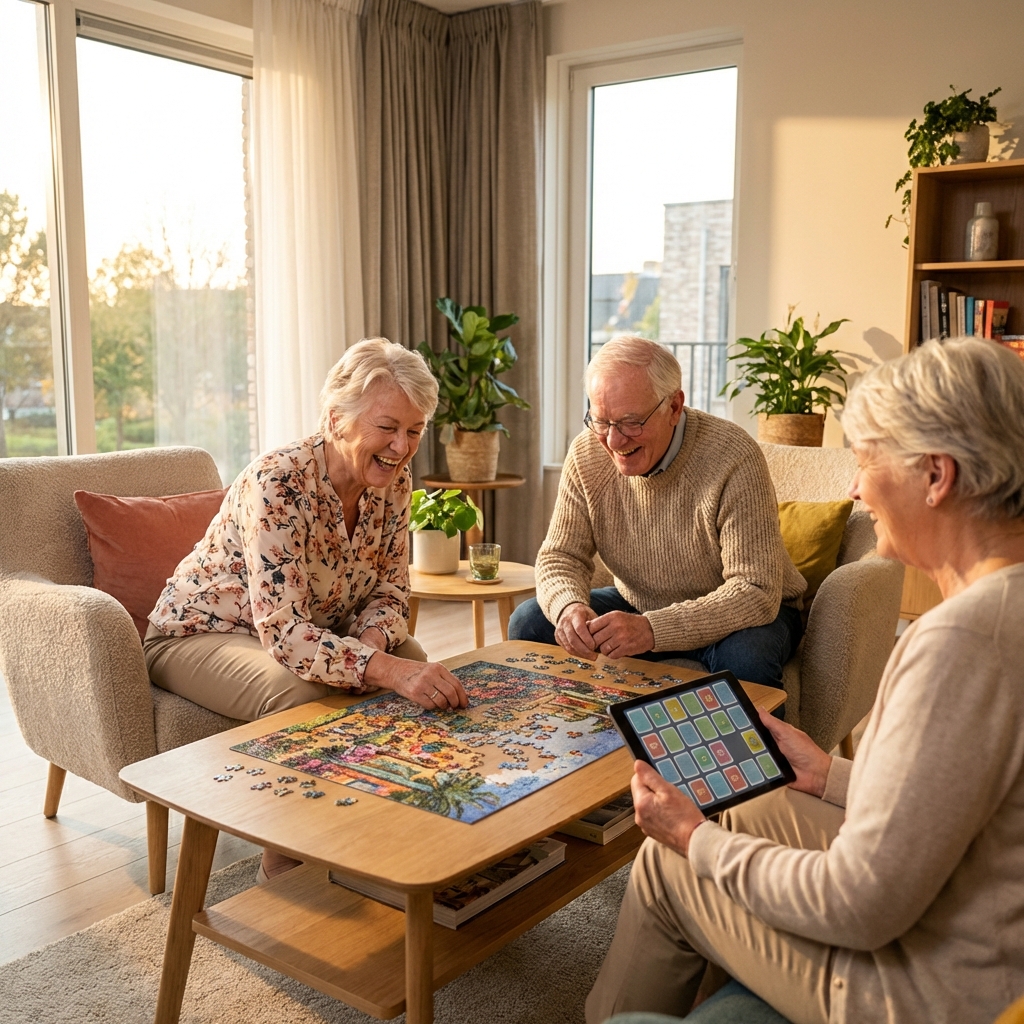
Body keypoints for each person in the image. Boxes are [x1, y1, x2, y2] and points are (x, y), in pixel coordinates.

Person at [587, 337, 1024, 1024]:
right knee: (744, 802)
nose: (854, 487)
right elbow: (968, 798)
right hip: (965, 911)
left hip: (932, 986)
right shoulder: (1004, 606)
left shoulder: (961, 639)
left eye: (866, 458)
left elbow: (860, 904)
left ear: (936, 476)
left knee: (672, 863)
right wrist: (830, 776)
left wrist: (692, 840)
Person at [145, 337, 468, 880]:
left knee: (409, 651)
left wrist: (370, 650)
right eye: (388, 427)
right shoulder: (279, 481)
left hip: (308, 628)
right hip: (199, 633)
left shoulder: (396, 482)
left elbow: (391, 592)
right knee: (305, 692)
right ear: (337, 418)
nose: (403, 445)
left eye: (415, 430)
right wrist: (378, 669)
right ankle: (286, 857)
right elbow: (287, 636)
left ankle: (382, 816)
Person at [509, 334, 806, 690]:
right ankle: (576, 737)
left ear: (674, 407)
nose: (614, 441)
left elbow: (755, 590)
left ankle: (755, 749)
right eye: (602, 421)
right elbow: (560, 556)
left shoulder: (734, 455)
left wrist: (652, 630)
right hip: (640, 603)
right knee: (530, 621)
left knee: (747, 659)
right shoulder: (587, 452)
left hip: (744, 613)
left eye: (631, 422)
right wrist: (569, 608)